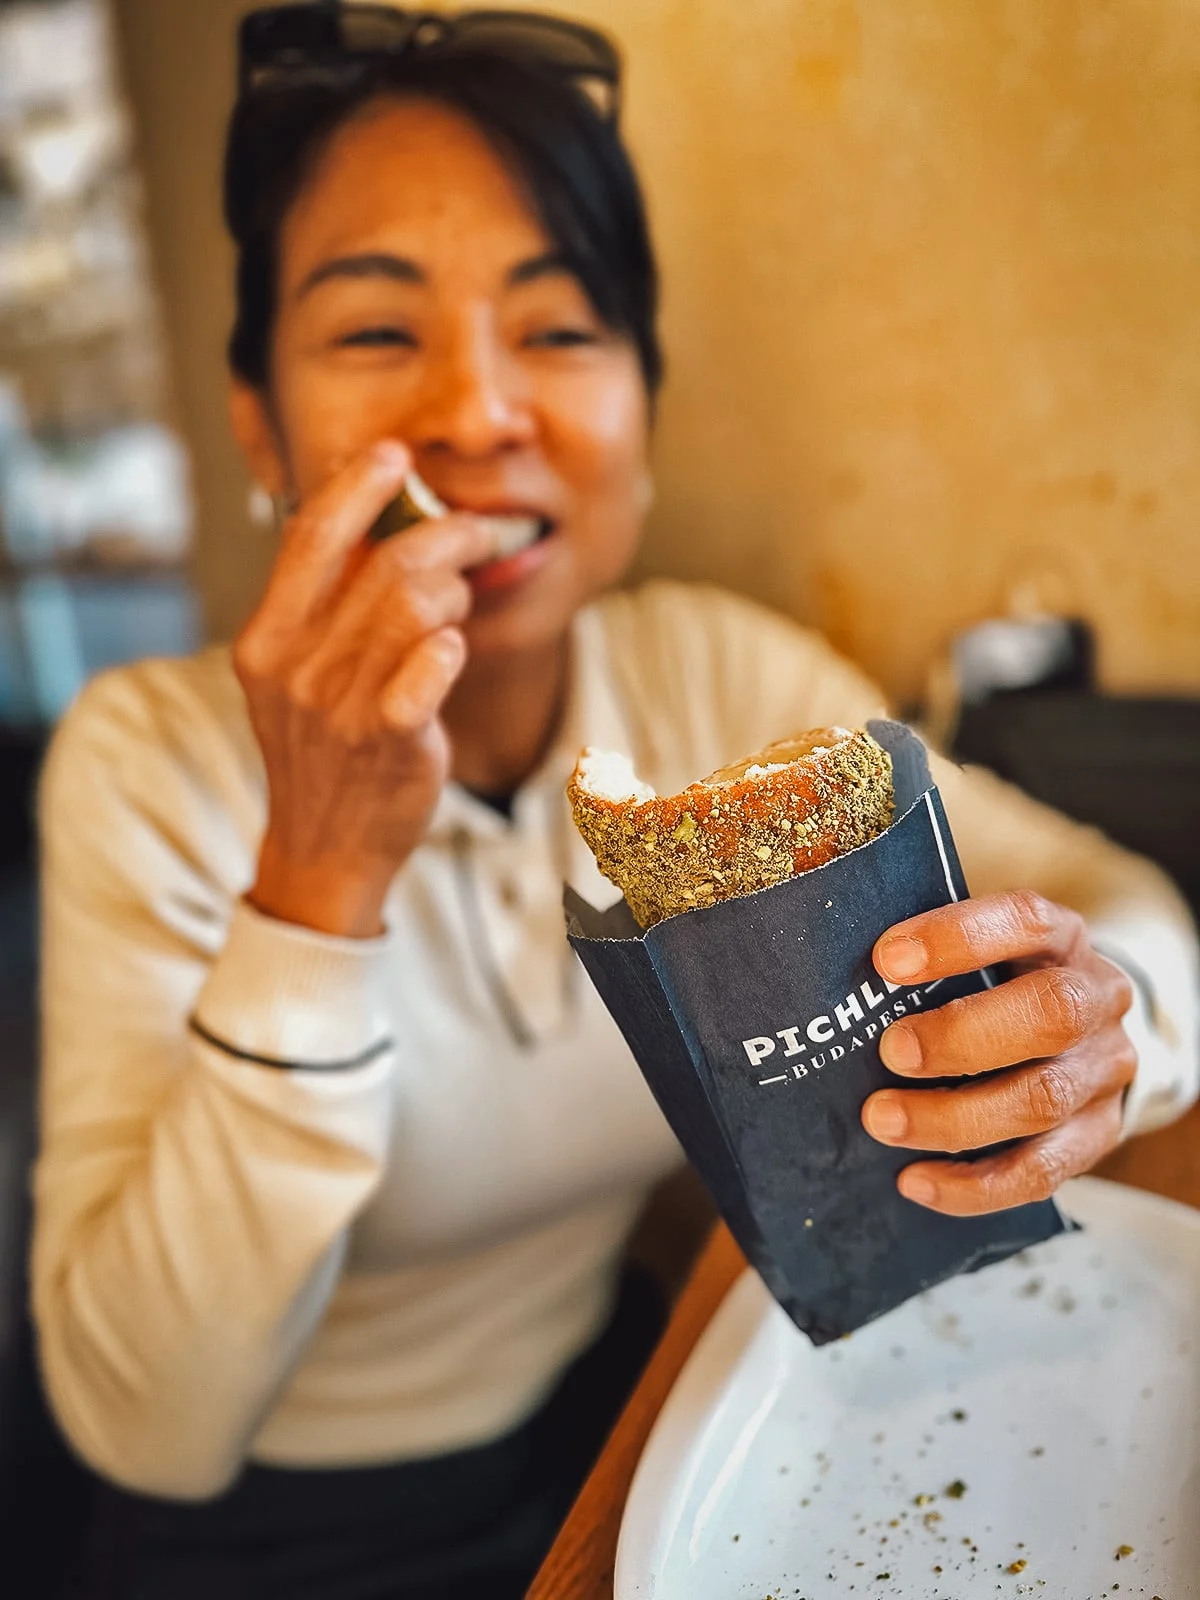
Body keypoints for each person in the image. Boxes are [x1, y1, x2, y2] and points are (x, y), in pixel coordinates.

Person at [32, 7, 1198, 1597]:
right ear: (258, 421)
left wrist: (1102, 1024)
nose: (480, 413)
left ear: (640, 408)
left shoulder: (708, 677)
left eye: (561, 330)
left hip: (633, 1424)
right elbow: (147, 1428)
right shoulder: (139, 759)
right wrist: (316, 874)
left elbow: (1110, 898)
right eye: (377, 334)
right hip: (265, 1538)